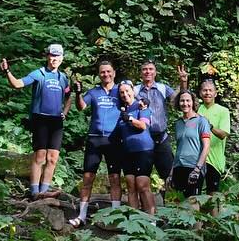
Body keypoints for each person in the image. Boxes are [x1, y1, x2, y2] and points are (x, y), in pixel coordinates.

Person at [0, 44, 71, 198]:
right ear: (47, 56)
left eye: (58, 56)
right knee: (40, 156)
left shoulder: (63, 78)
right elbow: (17, 84)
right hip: (40, 118)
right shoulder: (39, 74)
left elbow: (68, 96)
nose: (55, 59)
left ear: (62, 58)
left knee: (52, 158)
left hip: (56, 121)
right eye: (52, 56)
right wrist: (7, 71)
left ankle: (44, 193)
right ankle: (34, 192)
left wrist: (64, 112)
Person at [71, 59, 123, 226]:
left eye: (108, 71)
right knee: (88, 177)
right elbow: (81, 107)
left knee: (115, 178)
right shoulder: (94, 92)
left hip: (114, 139)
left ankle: (116, 215)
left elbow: (133, 102)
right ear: (99, 74)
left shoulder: (120, 90)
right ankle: (82, 216)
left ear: (114, 73)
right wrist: (78, 93)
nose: (106, 74)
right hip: (94, 138)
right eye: (102, 72)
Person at [135, 60, 188, 196]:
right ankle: (143, 213)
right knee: (141, 177)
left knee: (170, 177)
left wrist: (183, 82)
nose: (148, 72)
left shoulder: (162, 88)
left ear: (155, 72)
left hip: (161, 139)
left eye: (151, 69)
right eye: (145, 69)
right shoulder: (135, 90)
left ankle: (170, 210)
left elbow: (179, 100)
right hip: (142, 139)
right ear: (141, 72)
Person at [116, 80, 156, 214]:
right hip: (127, 152)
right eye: (122, 92)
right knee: (130, 184)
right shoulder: (121, 109)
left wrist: (130, 119)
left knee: (142, 184)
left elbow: (143, 126)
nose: (125, 94)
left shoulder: (141, 106)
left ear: (133, 91)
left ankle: (151, 221)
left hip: (143, 150)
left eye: (127, 91)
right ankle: (134, 221)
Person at [169, 89, 212, 202]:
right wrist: (171, 172)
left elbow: (206, 146)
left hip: (193, 167)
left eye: (188, 100)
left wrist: (197, 169)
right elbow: (178, 148)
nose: (185, 103)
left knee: (193, 204)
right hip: (179, 167)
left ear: (193, 102)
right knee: (178, 204)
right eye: (182, 101)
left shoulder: (201, 121)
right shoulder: (178, 123)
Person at [196, 77, 231, 195]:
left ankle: (216, 214)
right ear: (200, 93)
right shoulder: (197, 109)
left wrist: (209, 126)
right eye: (205, 90)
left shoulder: (223, 111)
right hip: (197, 158)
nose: (207, 93)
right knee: (194, 195)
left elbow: (223, 134)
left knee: (213, 196)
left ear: (215, 93)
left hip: (214, 160)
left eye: (210, 90)